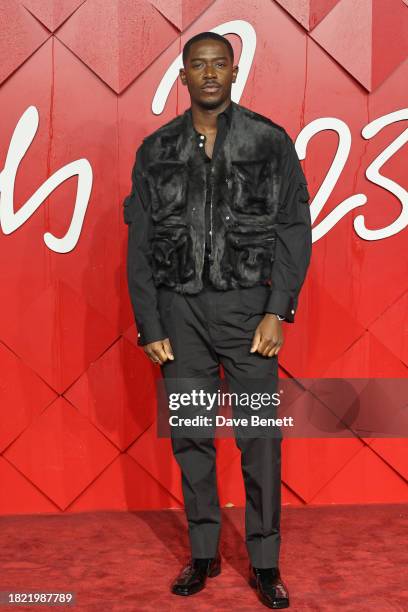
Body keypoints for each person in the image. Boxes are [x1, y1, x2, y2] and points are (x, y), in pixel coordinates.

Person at [123, 31, 312, 609]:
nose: (209, 73)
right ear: (182, 78)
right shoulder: (155, 150)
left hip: (248, 316)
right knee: (191, 439)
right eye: (197, 65)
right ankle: (203, 553)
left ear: (233, 73)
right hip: (179, 319)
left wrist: (278, 310)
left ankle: (264, 562)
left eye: (218, 64)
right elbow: (140, 246)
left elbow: (294, 231)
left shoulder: (268, 142)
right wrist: (150, 324)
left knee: (260, 441)